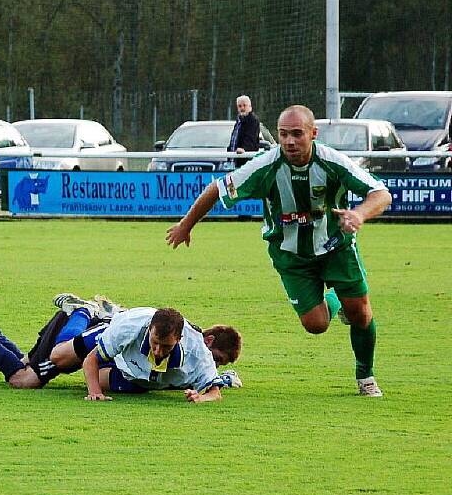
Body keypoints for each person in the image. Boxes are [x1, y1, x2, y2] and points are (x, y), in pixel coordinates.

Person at [166, 105, 391, 397]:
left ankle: (365, 376)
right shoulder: (266, 165)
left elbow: (380, 193)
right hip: (290, 255)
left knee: (361, 315)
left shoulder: (332, 162)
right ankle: (337, 300)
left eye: (297, 134)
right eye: (284, 134)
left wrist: (359, 214)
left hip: (336, 248)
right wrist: (186, 226)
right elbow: (216, 189)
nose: (289, 141)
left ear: (313, 134)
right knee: (316, 325)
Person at [0, 293, 242, 403]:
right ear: (149, 330)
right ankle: (83, 311)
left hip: (130, 374)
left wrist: (203, 396)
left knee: (26, 364)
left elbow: (212, 389)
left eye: (165, 347)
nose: (159, 351)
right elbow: (91, 359)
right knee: (29, 377)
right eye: (155, 343)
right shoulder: (130, 326)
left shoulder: (197, 356)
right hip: (104, 334)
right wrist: (93, 393)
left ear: (177, 340)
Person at [227, 95, 260, 168]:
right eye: (239, 106)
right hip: (233, 160)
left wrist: (244, 149)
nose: (242, 108)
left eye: (244, 105)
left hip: (245, 161)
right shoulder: (239, 121)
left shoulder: (253, 121)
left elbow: (251, 138)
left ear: (250, 107)